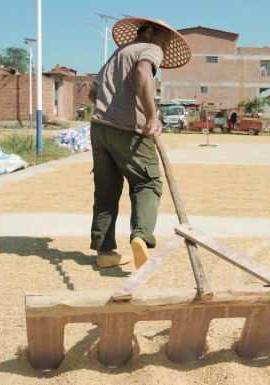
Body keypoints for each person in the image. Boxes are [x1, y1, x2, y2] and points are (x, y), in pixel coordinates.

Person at [87, 17, 191, 269]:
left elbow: (93, 93)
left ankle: (105, 251)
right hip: (129, 130)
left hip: (100, 129)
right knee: (148, 182)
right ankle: (141, 238)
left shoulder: (118, 54)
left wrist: (110, 111)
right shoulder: (149, 48)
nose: (163, 50)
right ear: (148, 32)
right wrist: (152, 116)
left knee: (107, 190)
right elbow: (144, 71)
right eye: (164, 43)